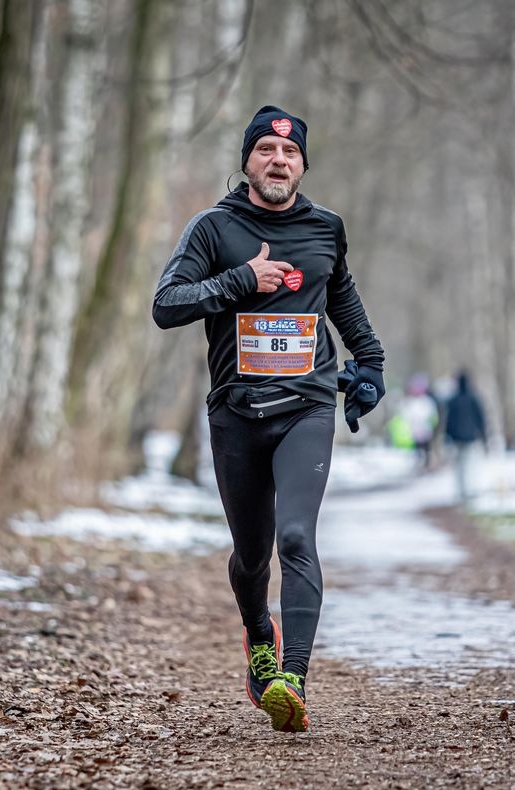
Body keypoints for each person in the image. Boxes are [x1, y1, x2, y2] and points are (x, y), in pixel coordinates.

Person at [152, 106, 385, 732]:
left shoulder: (325, 228)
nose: (278, 162)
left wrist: (371, 363)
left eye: (289, 155)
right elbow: (166, 306)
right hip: (236, 414)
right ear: (248, 160)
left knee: (297, 539)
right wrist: (240, 279)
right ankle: (260, 633)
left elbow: (343, 299)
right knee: (252, 555)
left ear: (303, 165)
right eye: (265, 152)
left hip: (307, 405)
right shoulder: (213, 228)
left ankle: (293, 679)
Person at [445, 370, 487, 500]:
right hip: (470, 438)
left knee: (459, 466)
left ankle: (462, 491)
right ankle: (469, 490)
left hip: (457, 439)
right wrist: (483, 435)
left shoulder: (453, 400)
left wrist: (448, 437)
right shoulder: (473, 399)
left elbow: (449, 421)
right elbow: (480, 418)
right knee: (470, 465)